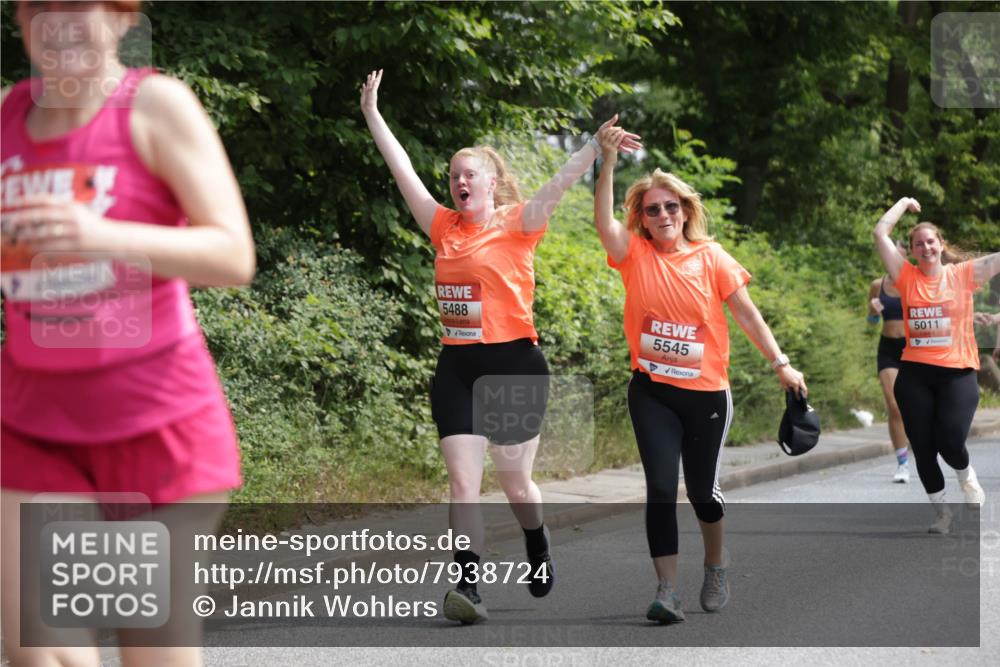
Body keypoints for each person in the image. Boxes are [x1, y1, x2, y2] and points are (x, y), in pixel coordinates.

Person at [1, 2, 255, 665]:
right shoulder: (4, 119)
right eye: (37, 5)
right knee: (40, 649)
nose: (55, 21)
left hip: (158, 426)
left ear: (120, 17)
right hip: (32, 422)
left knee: (150, 650)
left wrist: (102, 236)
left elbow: (233, 254)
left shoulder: (156, 107)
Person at [360, 69, 640, 624]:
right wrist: (372, 112)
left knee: (514, 485)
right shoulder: (442, 226)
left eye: (470, 174)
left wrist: (593, 146)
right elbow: (402, 169)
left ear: (490, 183)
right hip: (458, 367)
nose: (459, 181)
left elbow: (558, 184)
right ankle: (469, 587)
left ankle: (536, 540)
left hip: (514, 364)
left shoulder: (519, 223)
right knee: (463, 483)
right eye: (454, 175)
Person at [594, 128, 806, 623]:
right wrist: (607, 161)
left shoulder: (711, 257)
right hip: (652, 392)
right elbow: (603, 222)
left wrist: (781, 364)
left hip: (706, 394)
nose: (663, 215)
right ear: (642, 217)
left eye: (671, 207)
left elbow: (747, 314)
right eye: (652, 209)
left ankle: (715, 564)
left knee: (702, 493)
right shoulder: (634, 254)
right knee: (660, 488)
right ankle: (667, 590)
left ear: (686, 211)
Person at [873, 197, 999, 534]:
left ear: (941, 245)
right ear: (912, 251)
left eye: (931, 241)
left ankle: (966, 475)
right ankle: (942, 513)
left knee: (950, 440)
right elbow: (880, 232)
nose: (926, 247)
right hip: (915, 375)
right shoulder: (905, 276)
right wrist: (903, 203)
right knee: (924, 448)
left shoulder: (964, 274)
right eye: (919, 244)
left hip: (958, 373)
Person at [866, 244, 911, 483]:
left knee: (919, 405)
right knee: (894, 405)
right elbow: (872, 321)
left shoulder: (916, 283)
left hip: (914, 349)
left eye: (897, 255)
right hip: (888, 350)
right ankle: (903, 464)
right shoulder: (877, 285)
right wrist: (873, 312)